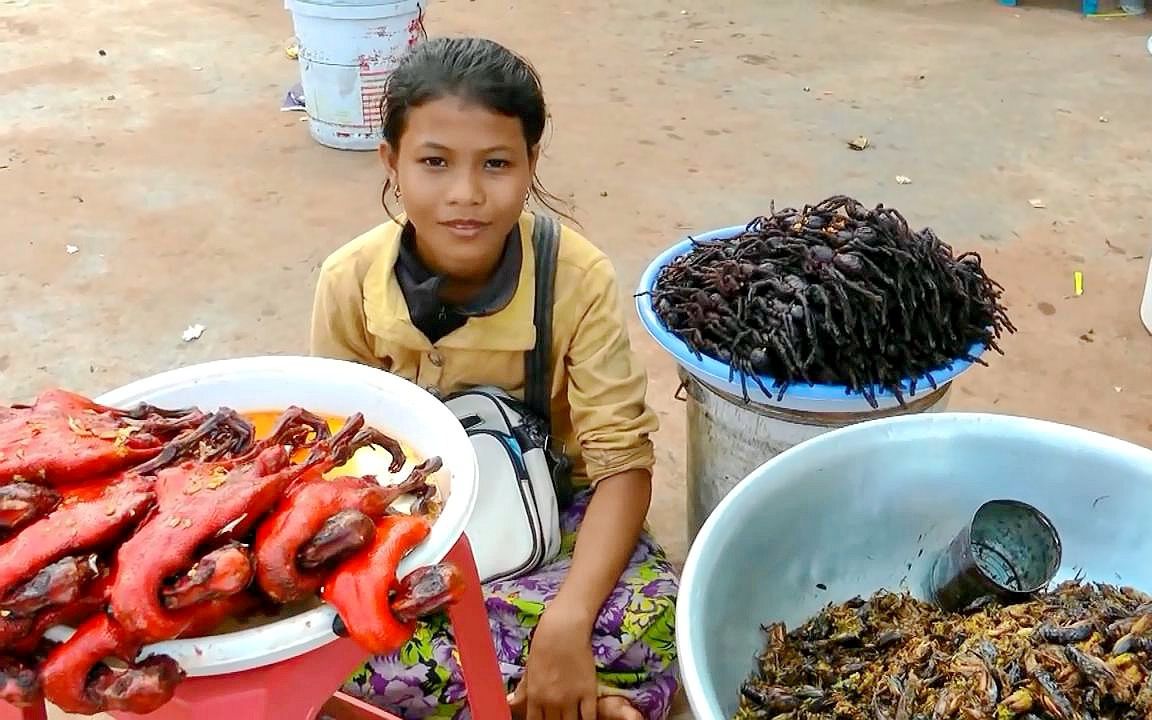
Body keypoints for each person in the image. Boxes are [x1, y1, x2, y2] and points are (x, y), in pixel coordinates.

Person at [308, 36, 680, 720]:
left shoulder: (577, 275)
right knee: (341, 646)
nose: (466, 195)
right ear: (391, 162)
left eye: (497, 164)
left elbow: (622, 465)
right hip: (411, 534)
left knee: (658, 619)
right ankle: (566, 700)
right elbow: (335, 466)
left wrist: (567, 621)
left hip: (555, 511)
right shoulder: (350, 283)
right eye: (434, 163)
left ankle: (518, 688)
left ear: (531, 162)